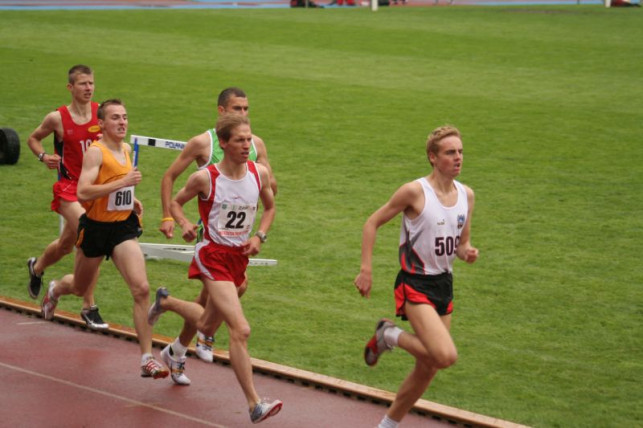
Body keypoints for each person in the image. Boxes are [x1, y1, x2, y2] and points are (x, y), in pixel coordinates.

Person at [148, 114, 282, 423]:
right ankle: (254, 404)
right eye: (239, 140)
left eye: (249, 139)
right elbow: (177, 202)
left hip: (238, 258)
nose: (247, 145)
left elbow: (271, 207)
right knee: (240, 328)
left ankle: (166, 304)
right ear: (223, 143)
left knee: (207, 325)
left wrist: (259, 236)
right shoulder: (206, 178)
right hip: (212, 256)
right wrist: (182, 223)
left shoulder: (258, 173)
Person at [354, 125, 479, 428]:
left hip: (443, 285)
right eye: (451, 152)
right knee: (445, 355)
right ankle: (389, 335)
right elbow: (372, 222)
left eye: (460, 151)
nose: (458, 157)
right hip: (415, 284)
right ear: (433, 157)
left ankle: (388, 424)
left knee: (428, 368)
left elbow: (461, 245)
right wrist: (366, 269)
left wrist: (467, 252)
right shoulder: (414, 192)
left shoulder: (467, 196)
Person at [41, 99, 169, 379]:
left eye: (124, 117)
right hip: (95, 230)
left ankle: (147, 359)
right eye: (115, 118)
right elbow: (84, 192)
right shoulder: (96, 153)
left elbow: (115, 189)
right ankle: (55, 289)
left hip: (122, 229)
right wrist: (123, 185)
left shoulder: (125, 149)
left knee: (142, 289)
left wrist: (131, 200)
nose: (122, 122)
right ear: (101, 124)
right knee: (78, 286)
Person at [159, 87, 277, 365]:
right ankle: (202, 337)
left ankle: (177, 347)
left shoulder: (254, 144)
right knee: (228, 297)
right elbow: (170, 177)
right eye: (237, 109)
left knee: (211, 305)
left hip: (239, 240)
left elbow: (269, 188)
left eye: (247, 109)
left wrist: (263, 192)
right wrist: (171, 218)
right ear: (222, 112)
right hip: (210, 238)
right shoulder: (204, 144)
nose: (243, 114)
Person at [26, 64, 107, 330]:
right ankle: (89, 307)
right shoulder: (57, 118)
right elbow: (33, 138)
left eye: (91, 83)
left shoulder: (101, 114)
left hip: (93, 189)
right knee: (90, 232)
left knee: (65, 245)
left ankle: (37, 268)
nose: (88, 88)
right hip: (68, 188)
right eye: (83, 84)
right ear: (70, 87)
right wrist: (43, 156)